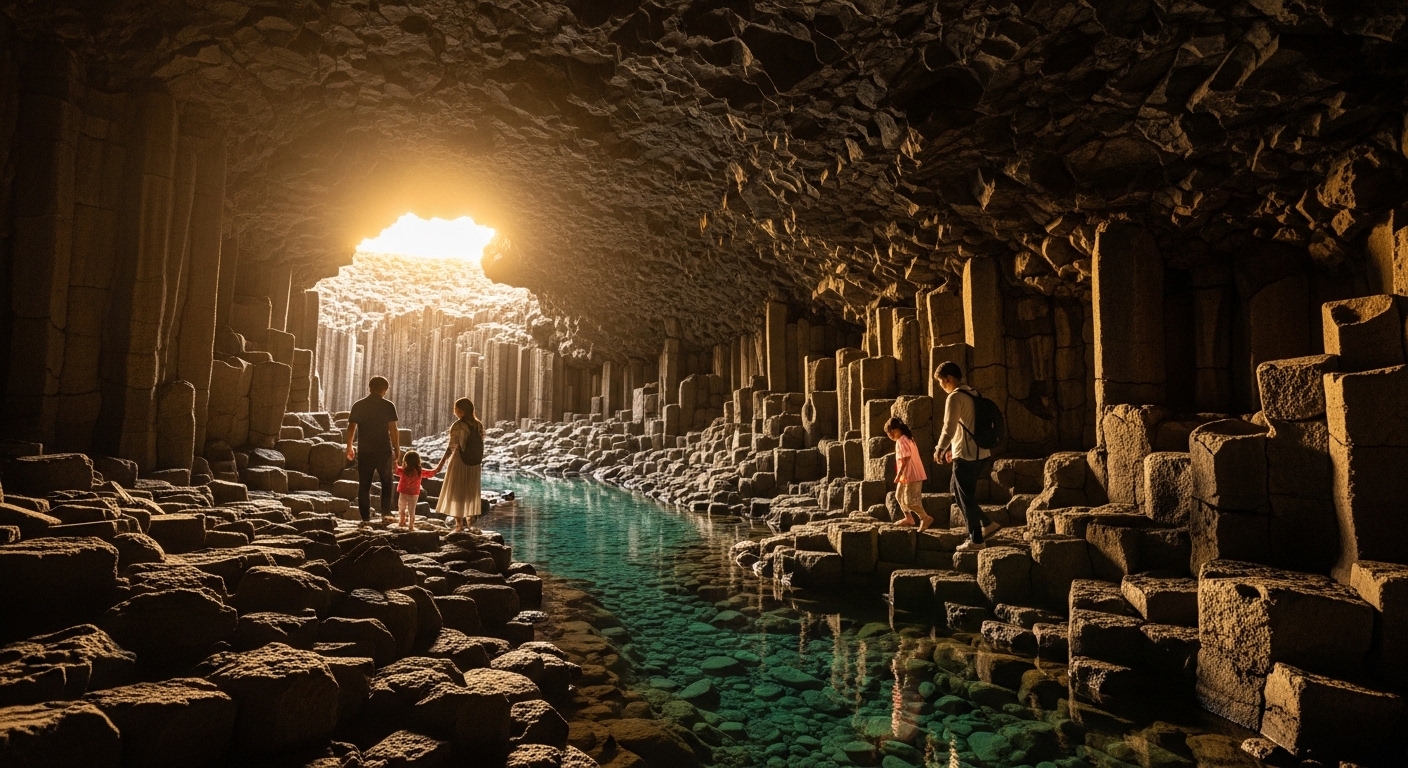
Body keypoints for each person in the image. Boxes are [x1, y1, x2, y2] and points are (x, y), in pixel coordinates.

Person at [934, 361, 1000, 551]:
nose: (941, 386)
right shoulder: (973, 393)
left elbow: (949, 427)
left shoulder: (955, 397)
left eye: (940, 381)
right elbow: (966, 426)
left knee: (965, 497)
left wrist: (940, 448)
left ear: (949, 378)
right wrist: (952, 450)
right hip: (981, 452)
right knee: (957, 491)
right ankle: (987, 524)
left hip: (967, 455)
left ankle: (976, 540)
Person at [346, 376, 401, 527]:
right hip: (383, 449)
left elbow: (351, 427)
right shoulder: (388, 405)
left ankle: (365, 518)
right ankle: (386, 514)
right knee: (387, 482)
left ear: (369, 388)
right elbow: (393, 428)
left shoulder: (359, 405)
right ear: (384, 390)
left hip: (365, 450)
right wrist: (397, 447)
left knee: (364, 484)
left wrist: (349, 446)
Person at [438, 397, 484, 533]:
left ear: (462, 411)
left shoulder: (458, 425)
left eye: (456, 410)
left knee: (457, 491)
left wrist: (441, 463)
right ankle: (470, 524)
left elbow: (451, 446)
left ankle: (459, 525)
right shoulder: (478, 425)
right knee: (471, 492)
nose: (455, 412)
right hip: (475, 463)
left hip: (460, 461)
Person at [885, 416, 935, 531]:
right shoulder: (905, 438)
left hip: (912, 474)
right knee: (899, 495)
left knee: (910, 501)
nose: (890, 436)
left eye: (891, 433)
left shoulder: (902, 440)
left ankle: (924, 517)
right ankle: (908, 518)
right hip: (906, 474)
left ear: (897, 430)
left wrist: (898, 474)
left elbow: (906, 458)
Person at [394, 450, 446, 530]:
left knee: (401, 508)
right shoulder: (420, 471)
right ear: (418, 461)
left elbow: (395, 469)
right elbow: (434, 472)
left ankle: (401, 522)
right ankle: (411, 526)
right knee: (412, 510)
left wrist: (394, 456)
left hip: (403, 492)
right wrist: (444, 459)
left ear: (405, 460)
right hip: (414, 494)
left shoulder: (404, 470)